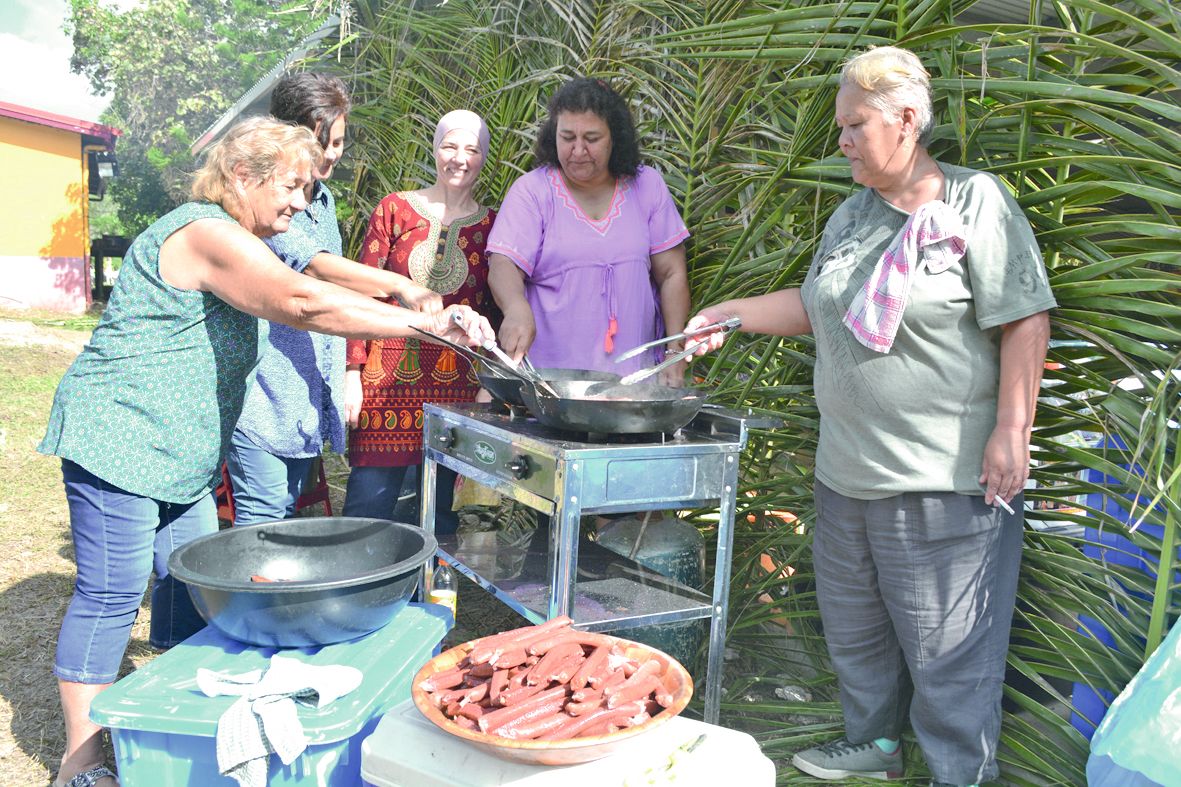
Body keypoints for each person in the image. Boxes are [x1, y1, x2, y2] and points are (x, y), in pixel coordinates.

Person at [38, 117, 493, 787]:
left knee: (198, 584)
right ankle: (80, 759)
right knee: (112, 593)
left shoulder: (253, 237)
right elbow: (301, 301)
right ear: (241, 175)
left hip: (183, 450)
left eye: (307, 189)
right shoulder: (204, 232)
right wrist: (429, 325)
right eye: (291, 186)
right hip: (121, 435)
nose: (302, 204)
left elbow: (323, 282)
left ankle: (175, 725)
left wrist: (422, 309)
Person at [685, 47, 1055, 787]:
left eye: (855, 125)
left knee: (949, 657)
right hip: (845, 474)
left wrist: (1012, 429)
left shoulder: (975, 202)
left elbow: (1025, 318)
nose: (843, 140)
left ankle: (959, 773)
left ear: (906, 120)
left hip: (938, 481)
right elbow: (817, 306)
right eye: (841, 126)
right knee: (857, 636)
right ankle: (876, 745)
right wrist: (729, 312)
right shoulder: (852, 214)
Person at [225, 73, 442, 526]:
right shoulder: (266, 205)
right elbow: (316, 268)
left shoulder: (321, 201)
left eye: (338, 142)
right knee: (263, 519)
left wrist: (346, 371)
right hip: (263, 397)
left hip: (301, 399)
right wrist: (401, 286)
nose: (330, 154)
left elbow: (340, 289)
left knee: (284, 517)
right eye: (320, 143)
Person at [342, 110, 497, 534]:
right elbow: (363, 292)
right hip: (383, 386)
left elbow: (495, 312)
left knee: (438, 516)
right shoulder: (394, 209)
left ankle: (427, 581)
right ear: (435, 149)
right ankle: (355, 577)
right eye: (450, 146)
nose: (459, 158)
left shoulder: (492, 225)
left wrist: (488, 387)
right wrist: (352, 373)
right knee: (367, 506)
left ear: (483, 157)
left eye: (471, 149)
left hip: (456, 389)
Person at [486, 77, 691, 384]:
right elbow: (503, 263)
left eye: (592, 139)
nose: (578, 150)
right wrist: (515, 307)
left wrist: (675, 351)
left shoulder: (647, 185)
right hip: (550, 384)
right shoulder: (532, 191)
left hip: (635, 384)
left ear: (615, 138)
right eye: (567, 137)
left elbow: (672, 273)